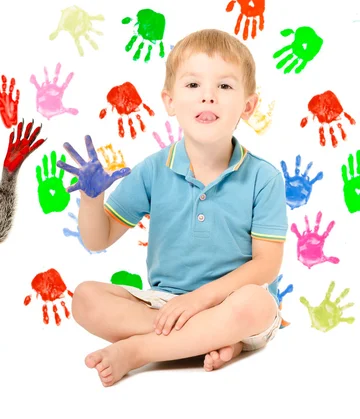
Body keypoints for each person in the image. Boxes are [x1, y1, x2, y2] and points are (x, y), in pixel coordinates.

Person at [56, 28, 288, 387]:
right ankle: (208, 341)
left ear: (248, 105)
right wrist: (91, 198)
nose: (208, 97)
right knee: (86, 298)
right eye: (193, 85)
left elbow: (267, 265)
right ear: (169, 101)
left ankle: (141, 351)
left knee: (257, 304)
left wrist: (198, 302)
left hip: (232, 303)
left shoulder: (264, 178)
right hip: (165, 305)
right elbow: (97, 238)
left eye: (224, 87)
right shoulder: (152, 169)